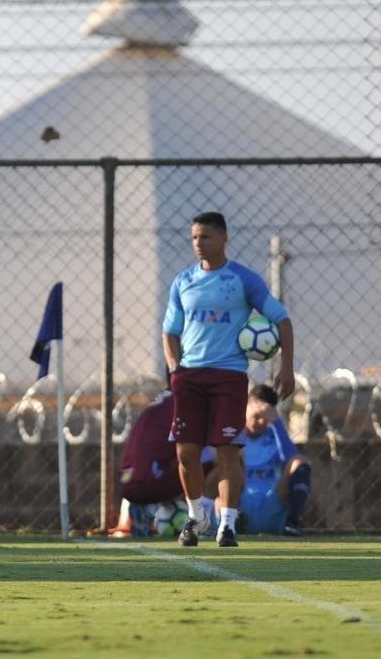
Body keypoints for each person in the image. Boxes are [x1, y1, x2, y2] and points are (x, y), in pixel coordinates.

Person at [162, 211, 295, 548]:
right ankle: (195, 517)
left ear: (224, 239)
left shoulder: (243, 280)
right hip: (189, 377)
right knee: (187, 454)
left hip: (229, 376)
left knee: (227, 452)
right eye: (194, 237)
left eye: (205, 237)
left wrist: (287, 367)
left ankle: (227, 525)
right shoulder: (183, 282)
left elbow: (282, 321)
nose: (198, 244)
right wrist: (175, 367)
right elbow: (170, 331)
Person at [117, 388, 218, 537]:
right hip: (151, 479)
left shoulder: (161, 400)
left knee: (183, 454)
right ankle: (202, 521)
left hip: (126, 482)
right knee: (224, 457)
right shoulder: (190, 400)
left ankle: (148, 507)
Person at [240, 384, 312, 537]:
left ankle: (291, 523)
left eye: (266, 418)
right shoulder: (233, 434)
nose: (262, 422)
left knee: (300, 462)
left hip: (272, 504)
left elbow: (291, 459)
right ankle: (225, 522)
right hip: (237, 503)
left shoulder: (274, 435)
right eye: (258, 416)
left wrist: (276, 422)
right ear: (246, 405)